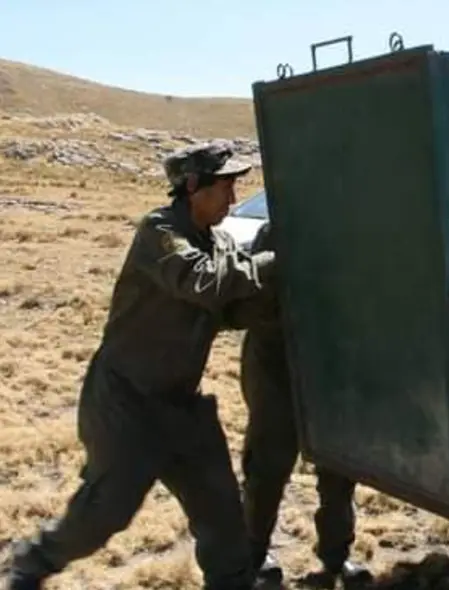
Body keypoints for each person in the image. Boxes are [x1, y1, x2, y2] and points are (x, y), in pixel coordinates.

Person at [5, 141, 274, 590]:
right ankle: (32, 563)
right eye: (225, 187)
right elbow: (203, 283)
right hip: (126, 402)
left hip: (181, 406)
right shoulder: (160, 231)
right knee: (106, 511)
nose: (232, 198)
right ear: (193, 187)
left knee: (222, 512)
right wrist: (274, 264)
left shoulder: (220, 241)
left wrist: (271, 305)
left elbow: (225, 310)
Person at [235, 221, 371, 588]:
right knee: (268, 464)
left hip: (330, 365)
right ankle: (253, 554)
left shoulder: (349, 230)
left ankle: (336, 556)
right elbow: (252, 297)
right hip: (276, 362)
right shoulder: (276, 230)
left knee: (339, 468)